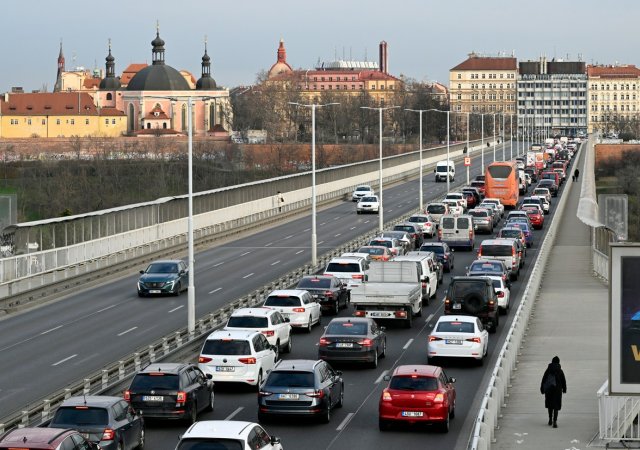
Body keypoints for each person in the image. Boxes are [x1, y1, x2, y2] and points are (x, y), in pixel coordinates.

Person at [540, 356, 567, 428]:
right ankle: (555, 421)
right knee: (556, 406)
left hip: (549, 390)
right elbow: (563, 381)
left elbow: (544, 379)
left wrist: (542, 389)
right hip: (557, 390)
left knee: (550, 405)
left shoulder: (548, 370)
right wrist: (564, 389)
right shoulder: (560, 371)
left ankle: (550, 419)